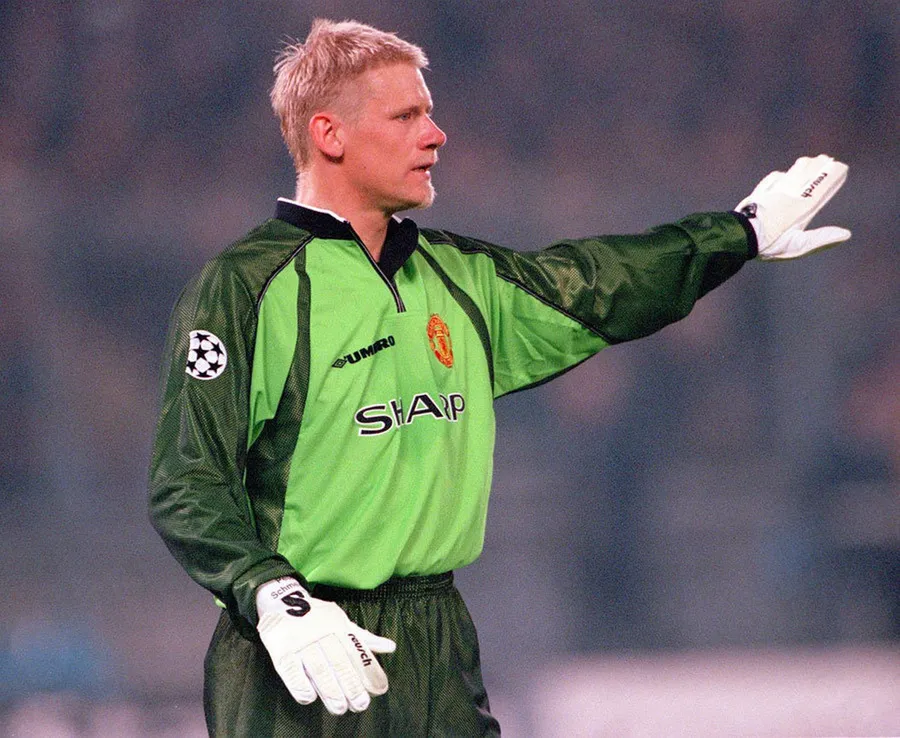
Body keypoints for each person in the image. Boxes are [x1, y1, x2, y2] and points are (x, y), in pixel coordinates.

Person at [148, 18, 851, 737]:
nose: (436, 135)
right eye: (406, 116)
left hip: (437, 643)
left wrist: (737, 234)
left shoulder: (460, 277)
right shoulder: (245, 289)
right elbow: (187, 483)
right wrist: (270, 596)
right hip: (301, 648)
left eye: (429, 112)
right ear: (330, 135)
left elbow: (597, 284)